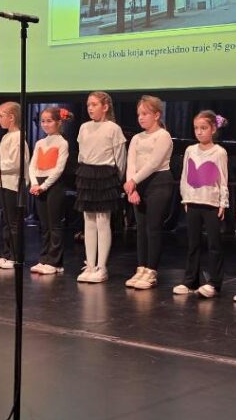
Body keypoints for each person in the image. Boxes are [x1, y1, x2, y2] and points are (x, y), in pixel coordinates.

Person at [174, 111, 229, 298]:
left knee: (214, 244)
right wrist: (185, 198)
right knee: (193, 244)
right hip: (193, 201)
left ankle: (214, 282)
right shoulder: (190, 150)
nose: (199, 132)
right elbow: (185, 176)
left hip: (211, 203)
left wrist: (223, 203)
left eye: (203, 128)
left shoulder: (219, 152)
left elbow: (223, 179)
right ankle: (191, 281)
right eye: (196, 128)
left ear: (213, 129)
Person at [124, 95, 174, 290]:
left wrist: (133, 181)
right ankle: (141, 267)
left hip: (159, 183)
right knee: (141, 228)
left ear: (157, 115)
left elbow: (154, 163)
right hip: (138, 184)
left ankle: (151, 271)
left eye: (145, 114)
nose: (141, 117)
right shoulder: (137, 138)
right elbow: (131, 162)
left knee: (153, 228)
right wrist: (132, 187)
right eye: (139, 114)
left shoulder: (163, 136)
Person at [75, 91, 126, 283]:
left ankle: (102, 266)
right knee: (88, 221)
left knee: (103, 221)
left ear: (105, 107)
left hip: (105, 175)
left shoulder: (113, 128)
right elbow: (81, 153)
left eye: (94, 104)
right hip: (87, 174)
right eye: (88, 104)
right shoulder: (84, 127)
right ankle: (90, 265)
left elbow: (120, 158)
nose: (90, 108)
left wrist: (117, 179)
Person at [29, 106, 71, 275]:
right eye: (43, 121)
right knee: (44, 225)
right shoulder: (40, 143)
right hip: (38, 184)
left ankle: (55, 262)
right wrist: (34, 183)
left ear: (58, 122)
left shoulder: (62, 143)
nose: (45, 124)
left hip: (53, 185)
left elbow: (59, 168)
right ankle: (44, 258)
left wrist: (44, 185)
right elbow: (32, 165)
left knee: (54, 224)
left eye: (49, 121)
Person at [0, 102, 29, 270]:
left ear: (12, 117)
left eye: (1, 116)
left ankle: (15, 256)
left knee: (13, 223)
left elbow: (15, 163)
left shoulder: (18, 137)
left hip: (14, 184)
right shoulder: (7, 136)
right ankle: (7, 254)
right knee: (6, 222)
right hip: (4, 183)